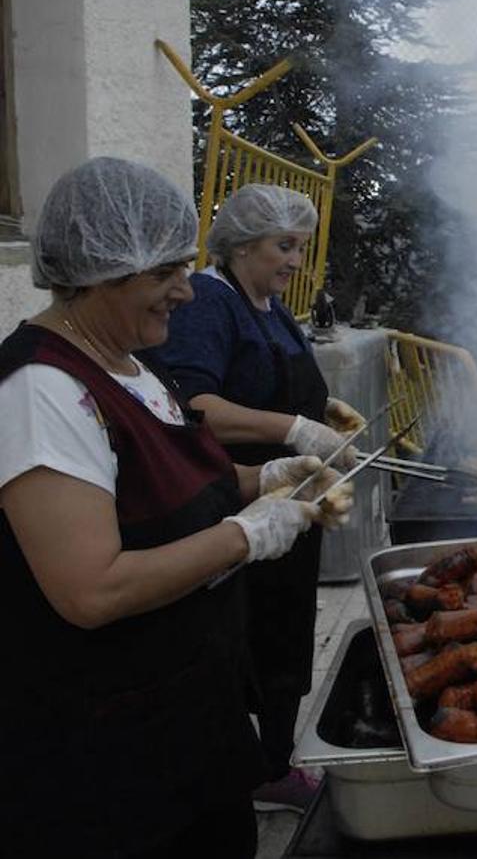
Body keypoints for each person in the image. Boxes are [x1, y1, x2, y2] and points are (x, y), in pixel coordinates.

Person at [0, 157, 353, 858]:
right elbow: (91, 590)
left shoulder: (131, 363)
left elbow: (172, 483)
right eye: (165, 274)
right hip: (107, 759)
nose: (185, 294)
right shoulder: (41, 393)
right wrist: (246, 537)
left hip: (192, 721)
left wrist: (268, 479)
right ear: (102, 271)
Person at [149, 183, 366, 812]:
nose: (296, 261)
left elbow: (264, 381)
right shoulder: (208, 304)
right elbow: (194, 406)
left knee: (286, 633)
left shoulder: (268, 304)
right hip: (238, 500)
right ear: (242, 244)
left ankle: (272, 760)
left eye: (300, 247)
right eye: (284, 245)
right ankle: (247, 772)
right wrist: (294, 429)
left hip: (293, 497)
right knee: (244, 639)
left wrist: (319, 409)